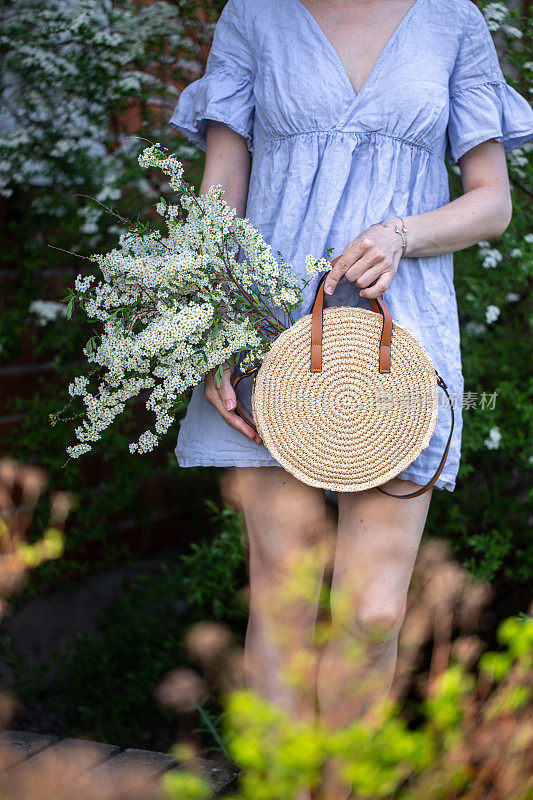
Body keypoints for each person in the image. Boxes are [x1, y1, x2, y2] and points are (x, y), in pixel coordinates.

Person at [169, 0, 533, 796]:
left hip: (395, 340)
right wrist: (211, 332)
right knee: (282, 603)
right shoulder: (253, 16)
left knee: (371, 615)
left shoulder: (452, 21)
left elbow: (491, 202)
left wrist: (401, 233)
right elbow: (217, 196)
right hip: (265, 334)